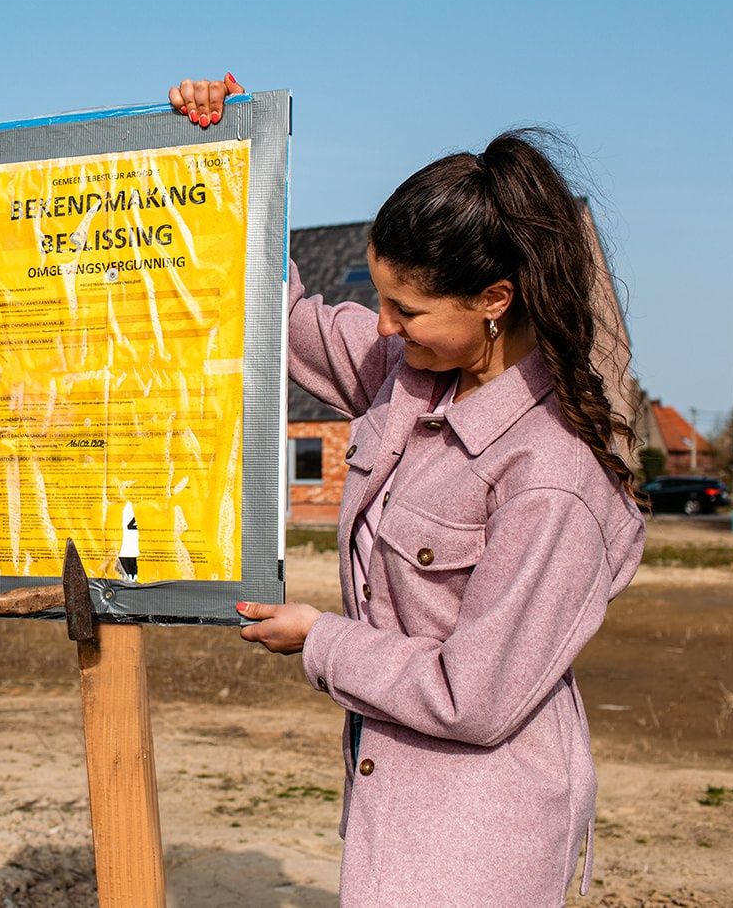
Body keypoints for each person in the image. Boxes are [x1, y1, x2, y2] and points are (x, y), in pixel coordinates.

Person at [173, 76, 645, 906]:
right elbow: (278, 318)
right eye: (379, 298)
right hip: (395, 790)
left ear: (496, 300)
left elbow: (476, 695)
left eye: (408, 308)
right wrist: (225, 150)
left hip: (480, 827)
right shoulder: (415, 373)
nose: (383, 325)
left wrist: (319, 640)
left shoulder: (552, 477)